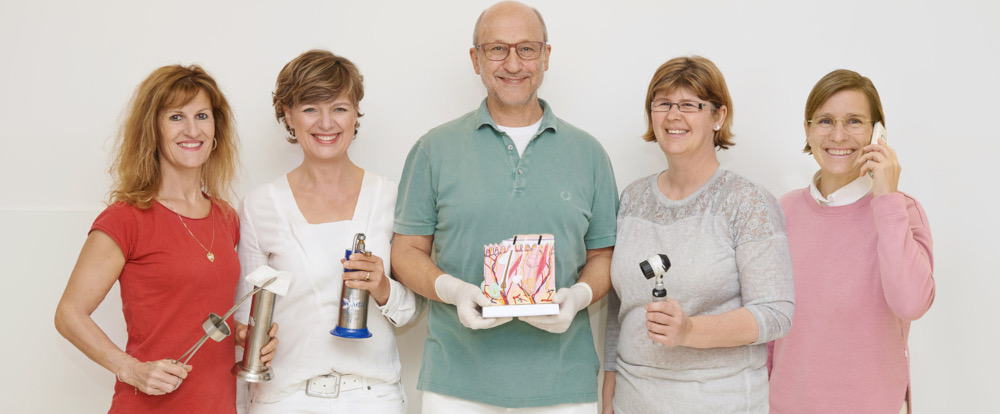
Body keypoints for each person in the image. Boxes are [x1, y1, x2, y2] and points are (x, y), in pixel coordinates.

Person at [392, 2, 618, 412]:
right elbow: (406, 251)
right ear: (475, 59)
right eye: (497, 49)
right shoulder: (433, 149)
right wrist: (453, 290)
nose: (513, 63)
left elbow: (604, 255)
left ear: (547, 56)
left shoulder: (589, 154)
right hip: (455, 385)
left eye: (527, 49)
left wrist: (580, 296)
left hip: (564, 387)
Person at [54, 64, 277, 413]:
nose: (192, 129)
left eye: (202, 115)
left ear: (216, 128)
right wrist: (131, 370)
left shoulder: (225, 216)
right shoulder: (126, 218)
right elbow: (69, 314)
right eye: (176, 117)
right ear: (153, 130)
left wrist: (240, 334)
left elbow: (190, 310)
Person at [234, 49, 425, 414]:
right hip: (284, 400)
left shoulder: (391, 197)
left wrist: (383, 288)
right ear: (288, 116)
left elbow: (412, 312)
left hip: (374, 398)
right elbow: (246, 320)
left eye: (339, 107)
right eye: (309, 109)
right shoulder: (260, 206)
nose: (326, 123)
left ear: (356, 114)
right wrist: (250, 341)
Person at [602, 56, 795, 414]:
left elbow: (775, 313)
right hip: (633, 400)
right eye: (663, 103)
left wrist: (690, 331)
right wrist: (609, 390)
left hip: (720, 401)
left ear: (718, 117)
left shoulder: (747, 201)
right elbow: (621, 305)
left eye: (690, 105)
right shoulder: (631, 198)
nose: (674, 115)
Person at [767, 69, 934, 414]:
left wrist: (886, 198)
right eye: (825, 120)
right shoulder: (782, 212)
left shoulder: (902, 211)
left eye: (855, 121)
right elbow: (770, 326)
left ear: (878, 132)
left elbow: (911, 305)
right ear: (808, 130)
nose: (839, 135)